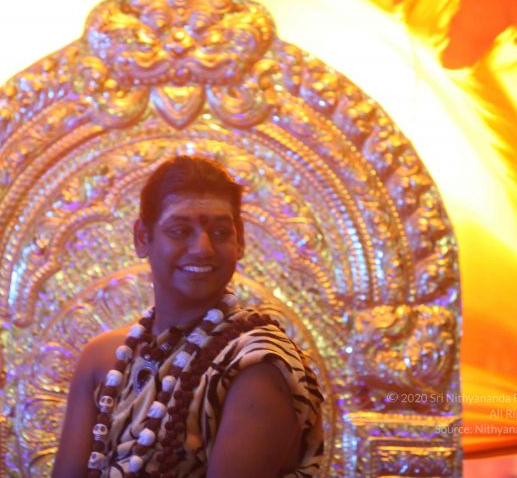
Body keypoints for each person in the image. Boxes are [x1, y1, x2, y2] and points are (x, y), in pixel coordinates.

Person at [52, 155, 324, 478]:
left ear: (239, 241)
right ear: (142, 238)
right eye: (180, 231)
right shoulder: (102, 360)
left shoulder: (256, 363)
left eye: (219, 232)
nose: (202, 248)